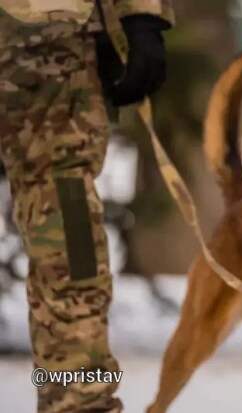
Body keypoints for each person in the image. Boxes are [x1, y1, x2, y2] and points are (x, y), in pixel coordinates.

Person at [0, 1, 173, 411]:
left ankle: (78, 399)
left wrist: (139, 15)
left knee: (67, 229)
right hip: (44, 32)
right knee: (66, 223)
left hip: (42, 35)